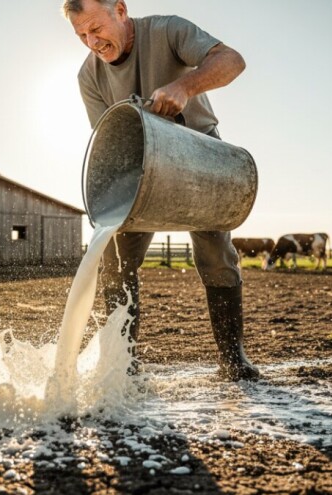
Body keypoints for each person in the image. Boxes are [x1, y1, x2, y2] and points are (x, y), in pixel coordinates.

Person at [62, 0, 260, 381]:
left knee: (216, 253)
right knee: (116, 260)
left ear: (120, 10)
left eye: (95, 28)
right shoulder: (89, 76)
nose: (91, 42)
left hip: (199, 149)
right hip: (136, 165)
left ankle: (233, 358)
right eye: (81, 35)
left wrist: (184, 86)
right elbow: (108, 139)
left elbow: (232, 60)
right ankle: (124, 364)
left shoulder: (168, 31)